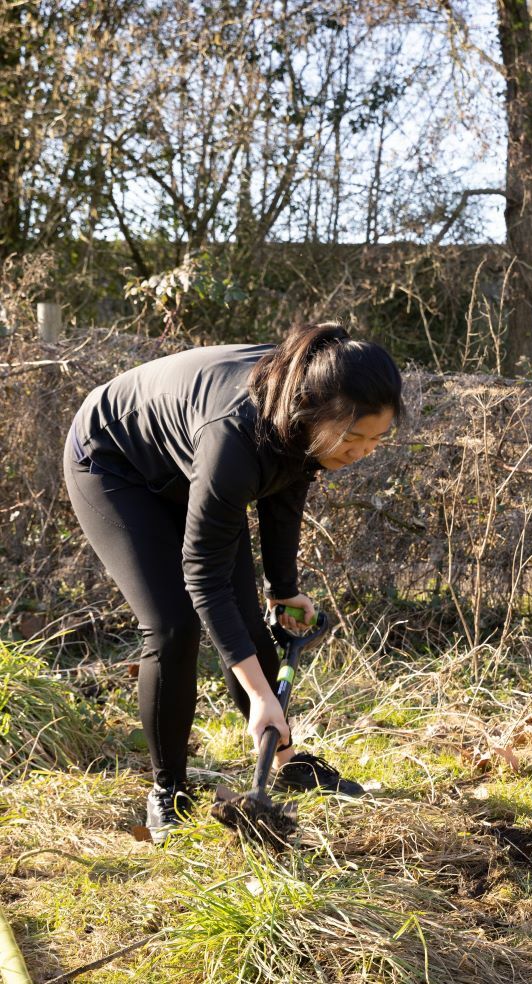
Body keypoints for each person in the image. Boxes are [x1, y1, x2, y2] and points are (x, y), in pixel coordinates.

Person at [64, 323, 402, 843]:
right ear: (310, 409)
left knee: (248, 622)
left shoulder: (303, 407)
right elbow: (203, 576)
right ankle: (168, 789)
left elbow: (285, 488)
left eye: (376, 439)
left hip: (191, 462)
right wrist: (260, 693)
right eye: (353, 438)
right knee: (172, 625)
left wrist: (282, 587)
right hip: (115, 463)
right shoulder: (236, 438)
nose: (362, 451)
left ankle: (285, 761)